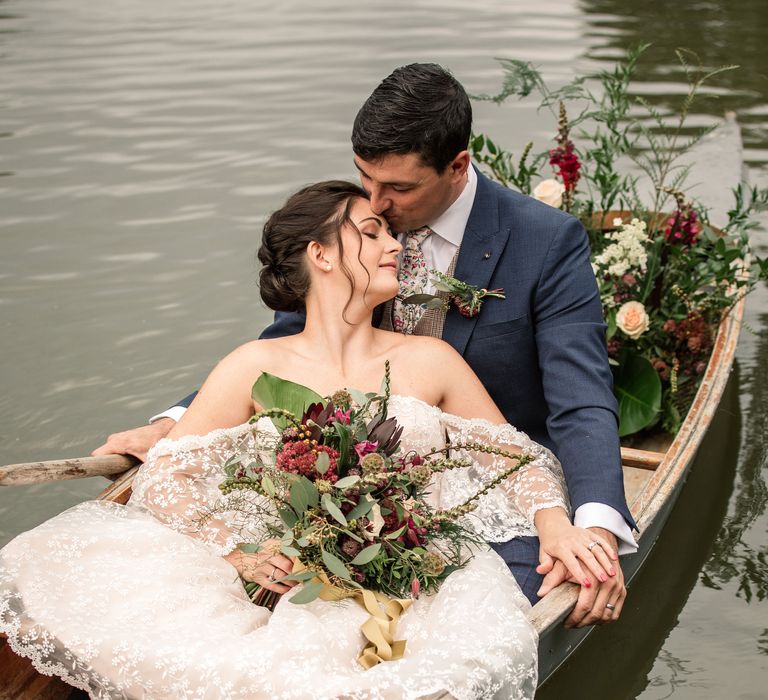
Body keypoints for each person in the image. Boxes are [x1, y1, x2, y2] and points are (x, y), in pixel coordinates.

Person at [0, 181, 617, 699]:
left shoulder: (430, 360)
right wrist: (239, 550)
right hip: (285, 572)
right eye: (371, 232)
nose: (394, 246)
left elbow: (518, 460)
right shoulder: (252, 364)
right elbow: (165, 476)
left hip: (408, 570)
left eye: (389, 232)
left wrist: (556, 526)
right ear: (321, 256)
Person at [94, 63, 637, 626]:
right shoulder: (343, 225)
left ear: (457, 166)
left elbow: (580, 399)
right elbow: (287, 351)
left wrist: (591, 527)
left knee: (479, 620)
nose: (375, 203)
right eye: (364, 178)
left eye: (398, 188)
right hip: (334, 499)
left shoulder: (543, 242)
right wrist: (178, 426)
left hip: (481, 492)